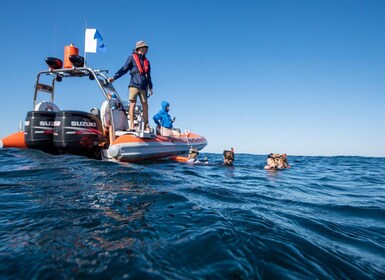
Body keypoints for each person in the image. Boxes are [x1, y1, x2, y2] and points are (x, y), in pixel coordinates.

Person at [108, 41, 153, 132]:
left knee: (145, 106)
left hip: (143, 86)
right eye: (145, 48)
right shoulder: (131, 58)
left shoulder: (147, 62)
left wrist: (150, 87)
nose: (147, 49)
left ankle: (146, 125)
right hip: (134, 85)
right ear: (140, 49)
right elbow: (124, 69)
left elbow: (149, 75)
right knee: (132, 104)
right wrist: (114, 77)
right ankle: (131, 125)